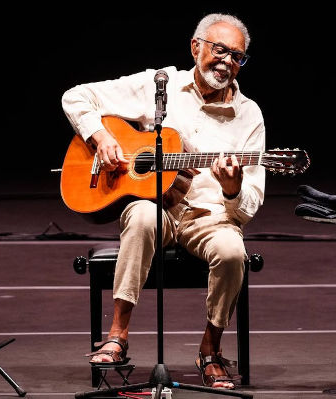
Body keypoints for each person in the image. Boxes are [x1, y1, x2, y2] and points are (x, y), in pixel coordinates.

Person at [61, 13, 266, 390]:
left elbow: (250, 205)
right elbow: (76, 96)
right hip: (160, 207)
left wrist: (233, 188)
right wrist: (101, 138)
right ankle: (117, 335)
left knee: (233, 251)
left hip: (211, 217)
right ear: (196, 47)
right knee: (140, 216)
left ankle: (210, 349)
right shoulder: (160, 84)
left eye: (237, 56)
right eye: (220, 50)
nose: (227, 61)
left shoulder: (249, 114)